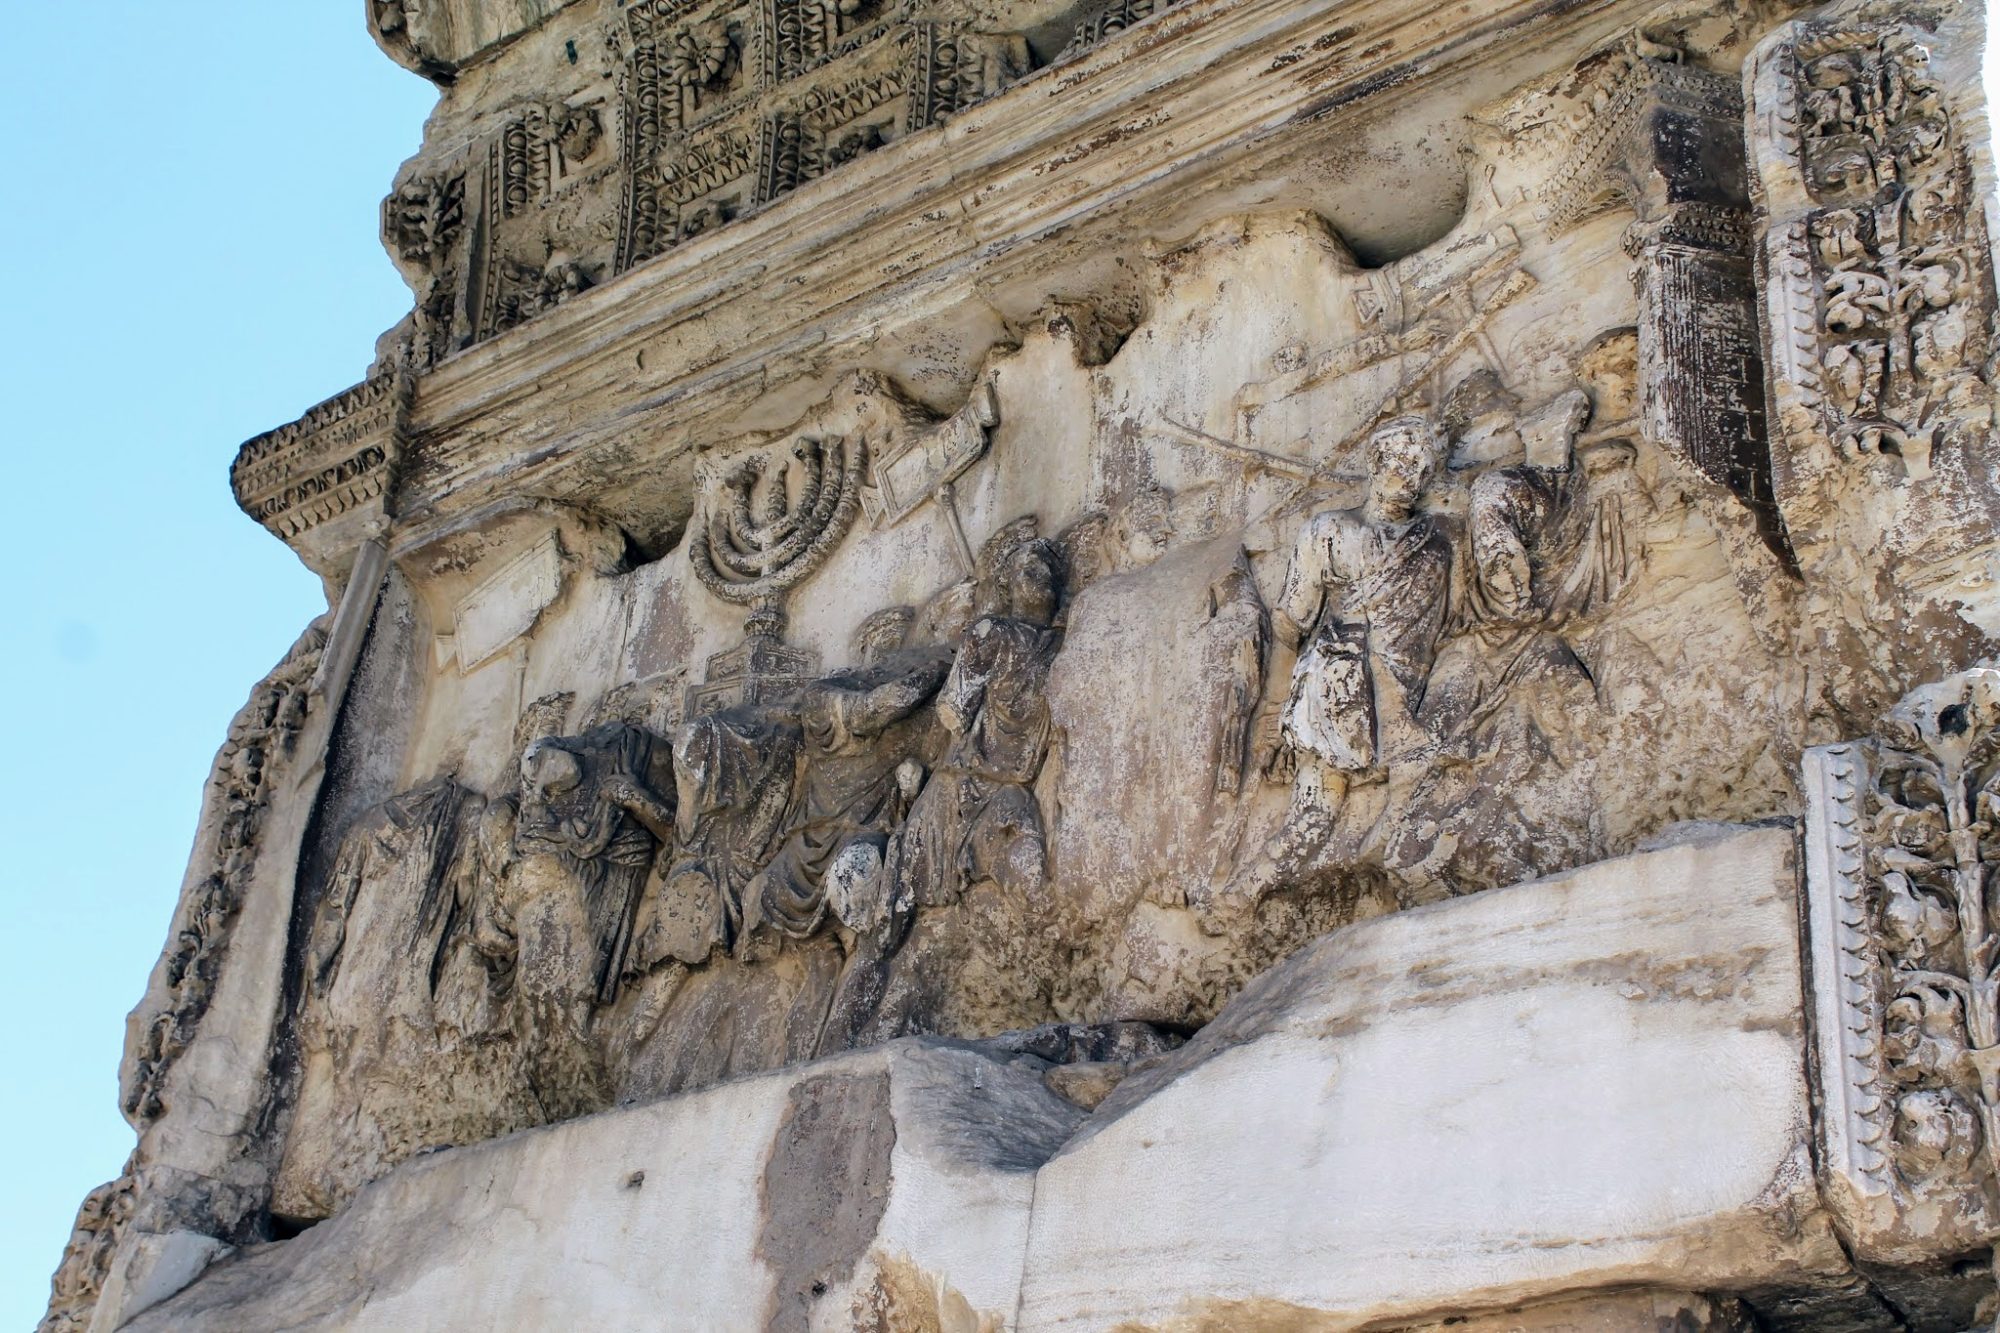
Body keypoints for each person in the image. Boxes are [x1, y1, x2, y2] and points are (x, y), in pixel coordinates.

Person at [1193, 414, 1452, 928]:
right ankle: (1244, 896)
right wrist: (1273, 710)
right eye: (1403, 462)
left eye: (1424, 468)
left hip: (1403, 688)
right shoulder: (1331, 530)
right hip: (1338, 686)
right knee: (1315, 813)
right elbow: (1290, 623)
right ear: (1377, 462)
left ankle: (1388, 876)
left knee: (1418, 782)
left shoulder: (1436, 545)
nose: (1414, 475)